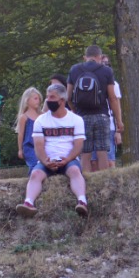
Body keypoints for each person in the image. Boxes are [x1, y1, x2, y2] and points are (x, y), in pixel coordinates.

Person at [17, 83, 89, 217]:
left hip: (69, 159)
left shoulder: (76, 120)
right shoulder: (41, 120)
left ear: (62, 100)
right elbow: (38, 145)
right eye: (47, 97)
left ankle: (82, 201)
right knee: (35, 174)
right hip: (47, 160)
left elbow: (78, 145)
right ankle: (28, 203)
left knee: (75, 171)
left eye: (52, 97)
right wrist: (45, 161)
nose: (47, 100)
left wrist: (67, 159)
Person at [67, 46, 123, 173]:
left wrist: (75, 112)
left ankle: (85, 181)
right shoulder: (106, 71)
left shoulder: (74, 70)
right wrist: (119, 121)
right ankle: (103, 181)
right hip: (102, 116)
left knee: (85, 153)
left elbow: (68, 97)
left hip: (82, 117)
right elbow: (112, 98)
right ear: (100, 57)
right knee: (102, 152)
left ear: (85, 57)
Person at [13, 87, 44, 171]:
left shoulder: (42, 115)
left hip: (42, 146)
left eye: (39, 99)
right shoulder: (24, 117)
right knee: (35, 165)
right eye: (35, 98)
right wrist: (20, 149)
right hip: (29, 147)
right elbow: (21, 134)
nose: (38, 101)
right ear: (27, 100)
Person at [100, 53, 123, 163]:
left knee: (110, 160)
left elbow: (117, 107)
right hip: (92, 125)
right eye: (102, 63)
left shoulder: (114, 84)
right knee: (93, 161)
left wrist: (118, 131)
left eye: (107, 63)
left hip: (109, 126)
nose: (105, 66)